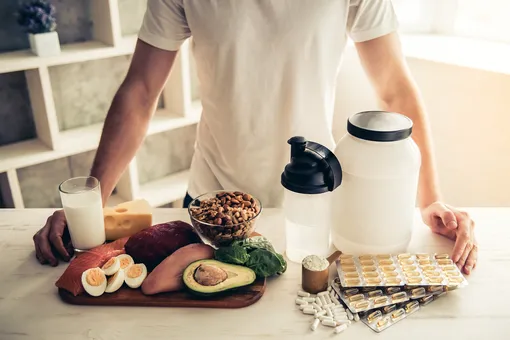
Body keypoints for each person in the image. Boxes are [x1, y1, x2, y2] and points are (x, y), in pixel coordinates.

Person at [33, 0, 477, 274]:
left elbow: (396, 90)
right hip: (211, 208)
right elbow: (140, 92)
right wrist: (89, 204)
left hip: (315, 204)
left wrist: (430, 198)